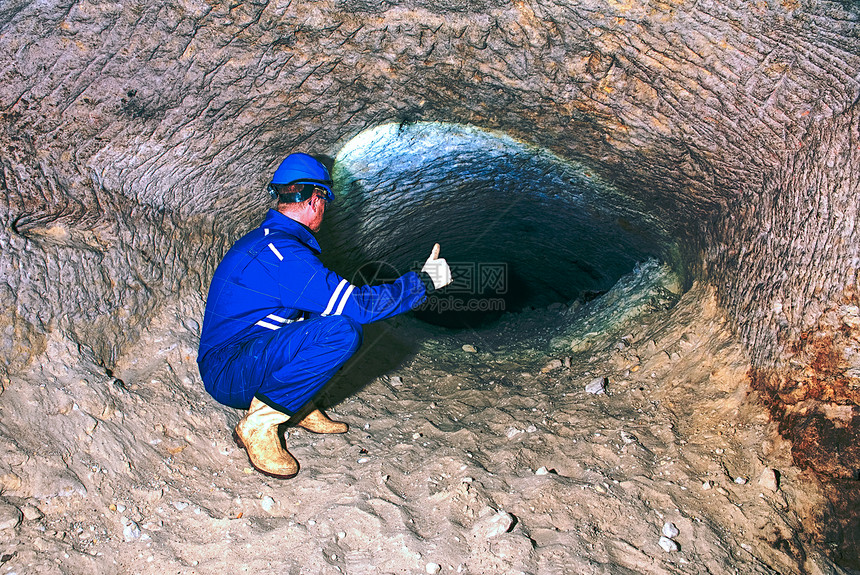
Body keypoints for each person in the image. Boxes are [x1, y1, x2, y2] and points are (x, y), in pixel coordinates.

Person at [197, 153, 452, 479]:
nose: (324, 210)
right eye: (324, 201)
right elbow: (358, 307)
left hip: (244, 356)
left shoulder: (273, 243)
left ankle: (296, 404)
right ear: (315, 199)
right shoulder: (282, 255)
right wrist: (423, 282)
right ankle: (259, 425)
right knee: (342, 331)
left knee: (320, 317)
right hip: (229, 372)